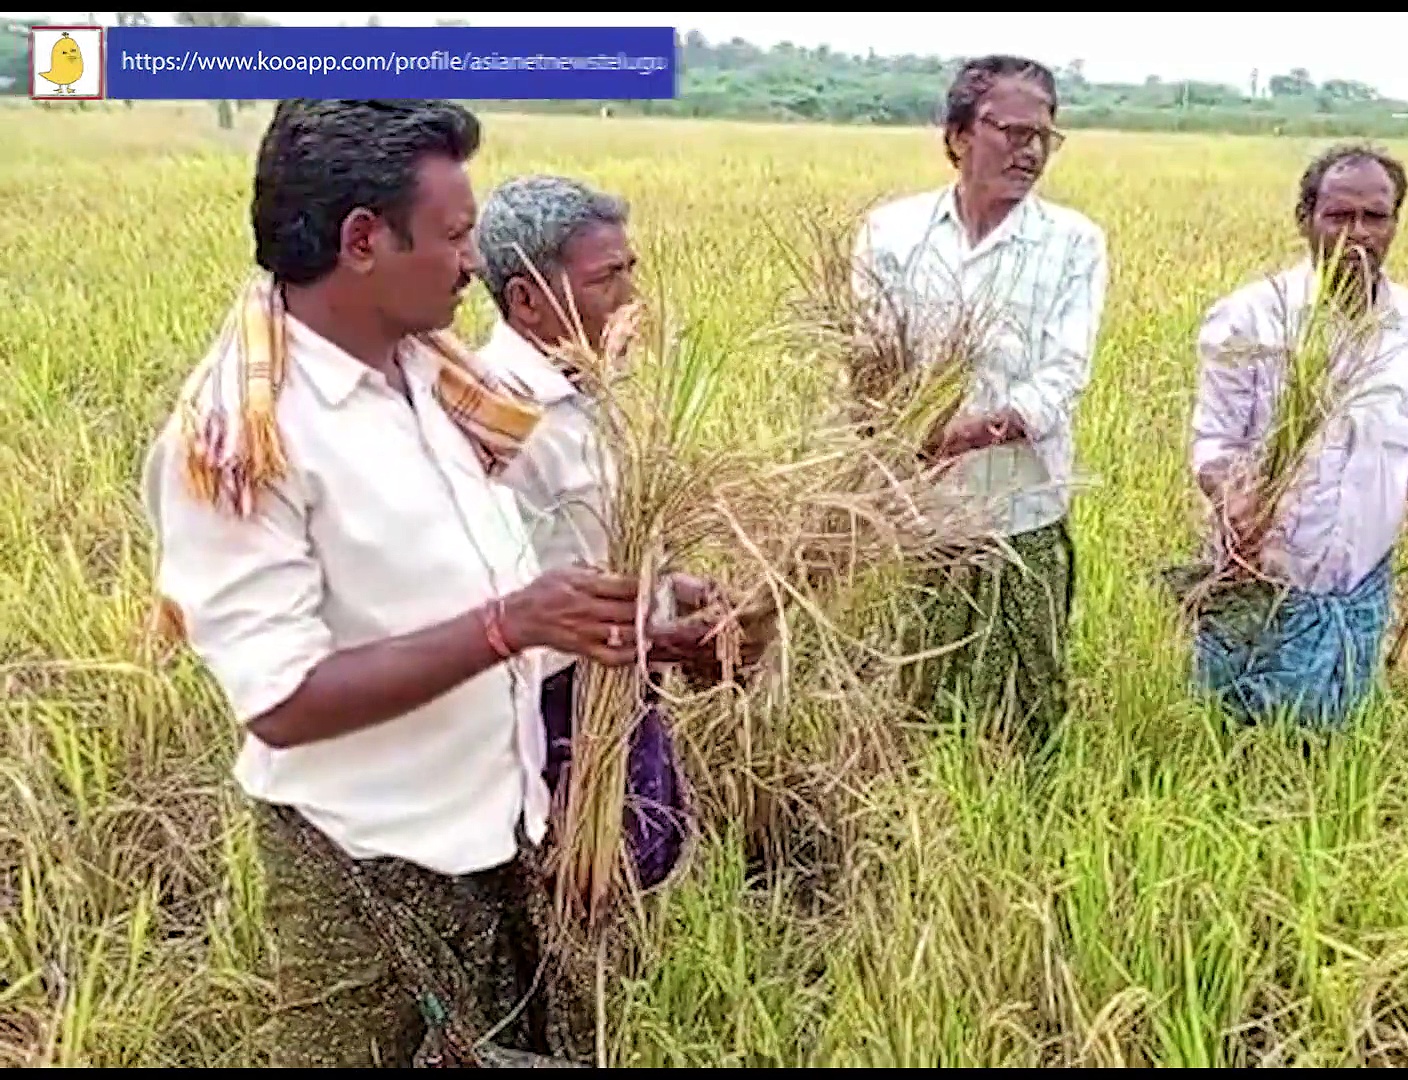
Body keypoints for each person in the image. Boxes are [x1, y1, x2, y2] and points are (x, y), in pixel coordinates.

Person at [139, 100, 736, 1067]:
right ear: (364, 240)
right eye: (457, 237)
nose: (474, 264)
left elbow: (491, 601)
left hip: (500, 832)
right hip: (365, 874)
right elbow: (281, 701)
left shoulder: (436, 383)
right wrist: (505, 626)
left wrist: (646, 622)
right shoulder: (247, 442)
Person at [471, 173, 761, 890]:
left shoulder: (594, 395)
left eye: (631, 271)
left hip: (622, 690)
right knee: (572, 890)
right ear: (527, 301)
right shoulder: (499, 420)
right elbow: (506, 615)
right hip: (550, 720)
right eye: (607, 279)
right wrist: (663, 643)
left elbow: (600, 549)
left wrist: (672, 591)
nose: (632, 300)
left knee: (637, 870)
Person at [850, 54, 1108, 753]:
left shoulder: (1073, 244)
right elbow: (869, 362)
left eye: (1043, 137)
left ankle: (1021, 815)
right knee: (913, 684)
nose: (1029, 151)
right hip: (911, 507)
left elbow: (1061, 375)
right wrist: (894, 436)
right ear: (960, 134)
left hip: (1020, 501)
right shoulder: (891, 234)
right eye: (1012, 132)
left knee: (1027, 698)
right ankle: (921, 812)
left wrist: (965, 433)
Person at [1187, 141, 1408, 731]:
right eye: (1338, 216)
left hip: (1360, 586)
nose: (1357, 234)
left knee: (1335, 750)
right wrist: (1233, 500)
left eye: (1375, 217)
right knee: (1234, 745)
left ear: (1396, 222)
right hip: (1262, 577)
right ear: (1305, 220)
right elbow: (1214, 444)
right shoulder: (1251, 317)